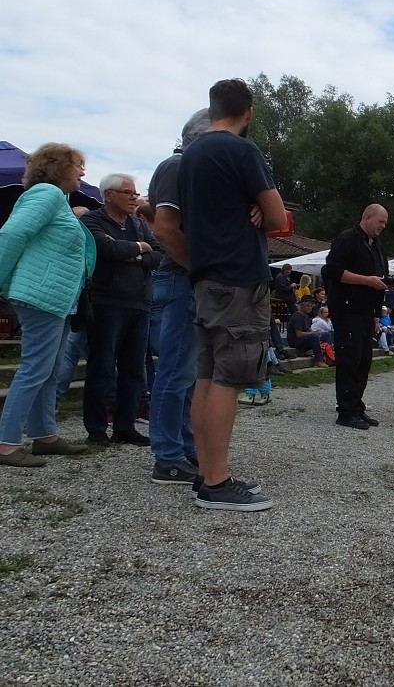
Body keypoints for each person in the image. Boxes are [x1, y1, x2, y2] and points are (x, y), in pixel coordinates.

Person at [178, 78, 288, 511]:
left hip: (205, 276)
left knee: (206, 377)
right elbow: (278, 217)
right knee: (230, 378)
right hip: (239, 275)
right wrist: (263, 206)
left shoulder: (190, 155)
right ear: (250, 111)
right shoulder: (242, 150)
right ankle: (219, 484)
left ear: (212, 107)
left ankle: (206, 474)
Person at [0, 143, 96, 467]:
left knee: (50, 369)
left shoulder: (58, 200)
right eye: (77, 165)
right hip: (40, 296)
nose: (83, 172)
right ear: (57, 167)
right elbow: (11, 234)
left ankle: (45, 437)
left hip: (56, 299)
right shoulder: (47, 195)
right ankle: (6, 444)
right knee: (35, 368)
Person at [144, 108, 209, 485]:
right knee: (173, 371)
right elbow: (165, 231)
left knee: (187, 372)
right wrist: (196, 269)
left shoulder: (192, 173)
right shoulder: (176, 167)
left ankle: (183, 446)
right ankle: (166, 455)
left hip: (188, 280)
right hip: (179, 279)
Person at [81, 173, 163, 446]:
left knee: (134, 368)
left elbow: (159, 254)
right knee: (102, 365)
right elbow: (105, 249)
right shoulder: (92, 221)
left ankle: (125, 425)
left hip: (140, 303)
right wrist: (140, 251)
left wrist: (133, 253)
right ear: (109, 195)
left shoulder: (138, 224)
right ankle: (96, 428)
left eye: (135, 192)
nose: (134, 197)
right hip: (107, 302)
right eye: (127, 192)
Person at [324, 203, 392, 431]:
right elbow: (332, 270)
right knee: (349, 360)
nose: (383, 226)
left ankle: (356, 406)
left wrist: (376, 313)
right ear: (367, 216)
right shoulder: (347, 239)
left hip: (366, 313)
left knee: (364, 362)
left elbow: (381, 280)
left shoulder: (379, 248)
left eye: (385, 223)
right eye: (380, 221)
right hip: (347, 310)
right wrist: (367, 280)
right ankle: (345, 411)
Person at [288, 296, 328, 367]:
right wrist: (313, 333)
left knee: (325, 335)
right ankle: (318, 360)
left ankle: (327, 356)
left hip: (303, 339)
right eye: (307, 306)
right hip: (295, 341)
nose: (309, 308)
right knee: (314, 337)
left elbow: (308, 329)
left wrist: (316, 331)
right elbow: (298, 334)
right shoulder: (297, 316)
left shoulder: (306, 316)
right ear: (301, 306)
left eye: (311, 306)